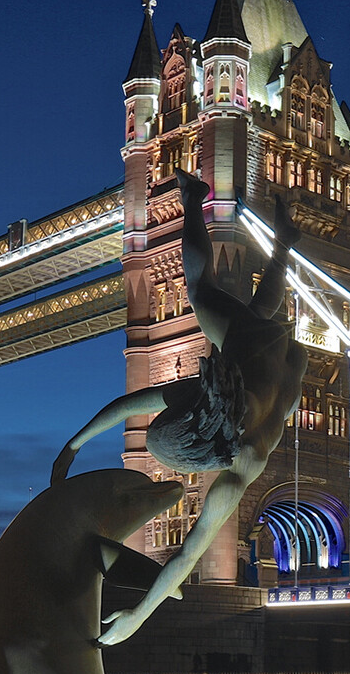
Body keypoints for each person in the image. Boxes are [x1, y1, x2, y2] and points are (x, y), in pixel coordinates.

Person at [52, 171, 306, 645]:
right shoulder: (207, 403)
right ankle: (195, 200)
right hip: (252, 349)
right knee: (202, 288)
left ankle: (272, 237)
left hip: (289, 367)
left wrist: (136, 617)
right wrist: (75, 443)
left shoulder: (245, 458)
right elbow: (131, 404)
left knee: (239, 308)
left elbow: (189, 552)